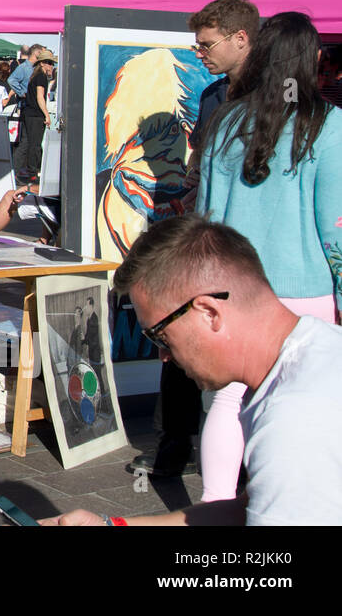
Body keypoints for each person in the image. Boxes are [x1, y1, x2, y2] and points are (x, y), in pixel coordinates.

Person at [44, 216, 342, 526]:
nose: (163, 356)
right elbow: (246, 510)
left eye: (159, 336)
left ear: (209, 312)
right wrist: (112, 525)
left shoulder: (293, 420)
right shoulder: (315, 350)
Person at [193, 11, 341, 504]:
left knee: (229, 398)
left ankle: (216, 504)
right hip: (307, 291)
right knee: (306, 400)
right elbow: (335, 228)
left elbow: (206, 217)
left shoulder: (226, 120)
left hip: (236, 289)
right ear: (312, 59)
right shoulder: (328, 124)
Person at [129, 0, 258, 480]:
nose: (200, 53)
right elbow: (200, 164)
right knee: (181, 337)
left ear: (240, 39)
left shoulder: (272, 98)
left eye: (207, 45)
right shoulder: (212, 97)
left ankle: (241, 461)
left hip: (249, 244)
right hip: (205, 236)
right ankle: (175, 442)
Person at [16, 48, 55, 181]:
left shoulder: (35, 76)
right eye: (49, 62)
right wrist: (47, 115)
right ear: (42, 63)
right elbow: (40, 97)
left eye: (52, 63)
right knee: (35, 144)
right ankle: (32, 172)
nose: (51, 66)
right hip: (36, 114)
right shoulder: (41, 77)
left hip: (28, 113)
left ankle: (16, 170)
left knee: (26, 143)